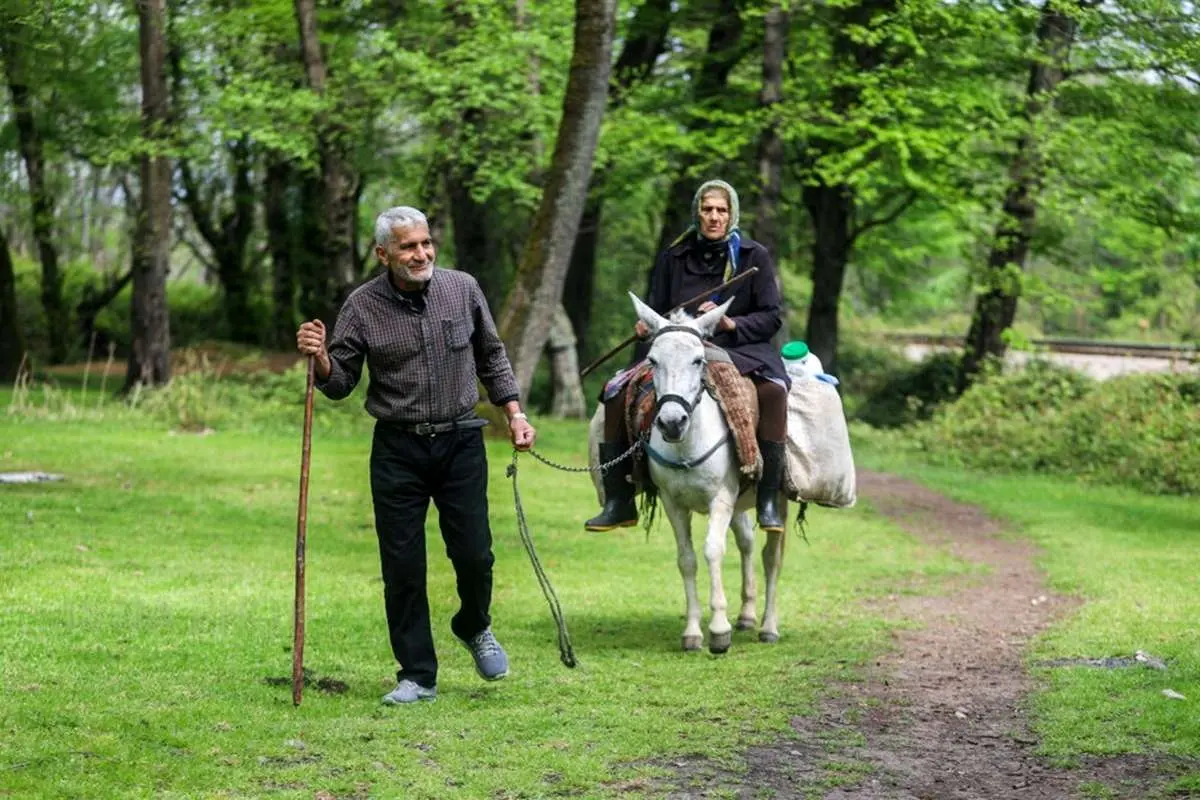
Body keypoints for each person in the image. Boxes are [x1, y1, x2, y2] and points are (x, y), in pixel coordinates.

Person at [296, 205, 536, 705]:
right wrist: (319, 357)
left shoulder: (463, 288)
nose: (421, 253)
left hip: (461, 441)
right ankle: (417, 675)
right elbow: (339, 383)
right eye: (408, 247)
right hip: (398, 449)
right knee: (402, 566)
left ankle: (474, 624)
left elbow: (492, 355)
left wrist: (514, 413)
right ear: (383, 254)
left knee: (475, 556)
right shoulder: (361, 306)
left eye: (425, 243)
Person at [585, 179, 789, 533]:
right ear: (697, 211)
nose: (714, 217)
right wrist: (647, 325)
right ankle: (620, 499)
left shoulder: (755, 256)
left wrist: (730, 322)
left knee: (773, 392)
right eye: (707, 209)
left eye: (721, 210)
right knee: (616, 390)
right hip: (675, 349)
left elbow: (772, 316)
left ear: (732, 214)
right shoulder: (674, 255)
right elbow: (660, 307)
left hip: (738, 348)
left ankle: (768, 498)